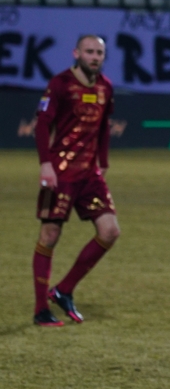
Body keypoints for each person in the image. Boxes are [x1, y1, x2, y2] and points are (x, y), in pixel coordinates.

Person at [32, 35, 121, 327]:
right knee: (50, 235)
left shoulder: (105, 87)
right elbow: (42, 124)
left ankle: (64, 289)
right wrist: (46, 164)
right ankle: (41, 310)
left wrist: (103, 162)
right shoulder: (60, 84)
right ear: (76, 53)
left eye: (99, 53)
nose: (94, 57)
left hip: (90, 175)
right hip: (60, 173)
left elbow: (104, 127)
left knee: (110, 231)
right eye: (89, 51)